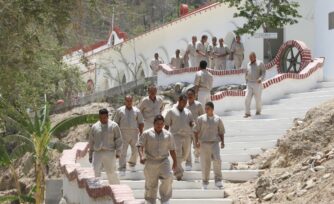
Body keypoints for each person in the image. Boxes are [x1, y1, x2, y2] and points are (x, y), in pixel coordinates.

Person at [137, 115, 177, 204]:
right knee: (151, 183)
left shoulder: (168, 134)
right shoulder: (146, 133)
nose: (159, 125)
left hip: (164, 161)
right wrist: (141, 156)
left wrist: (175, 162)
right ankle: (150, 201)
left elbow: (172, 149)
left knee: (168, 178)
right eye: (157, 123)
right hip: (150, 161)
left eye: (161, 124)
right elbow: (140, 145)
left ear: (163, 124)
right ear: (153, 123)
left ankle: (165, 199)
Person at [194, 102, 225, 190]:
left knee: (217, 160)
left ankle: (218, 180)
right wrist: (197, 142)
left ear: (212, 109)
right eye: (205, 108)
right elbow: (196, 131)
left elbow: (221, 131)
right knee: (205, 163)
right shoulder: (200, 119)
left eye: (208, 108)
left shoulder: (218, 119)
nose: (206, 110)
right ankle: (205, 181)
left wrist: (222, 142)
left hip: (215, 142)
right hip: (204, 143)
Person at [88, 108, 123, 184]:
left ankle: (116, 188)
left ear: (107, 116)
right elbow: (91, 141)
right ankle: (96, 188)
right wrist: (90, 155)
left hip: (109, 152)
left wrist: (118, 152)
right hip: (98, 153)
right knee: (95, 171)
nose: (102, 119)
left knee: (111, 172)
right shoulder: (94, 127)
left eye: (104, 117)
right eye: (101, 118)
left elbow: (118, 139)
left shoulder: (114, 126)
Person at [165, 94, 194, 180]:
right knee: (178, 153)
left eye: (185, 102)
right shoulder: (171, 111)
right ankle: (178, 172)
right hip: (175, 135)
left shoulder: (188, 112)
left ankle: (177, 165)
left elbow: (191, 121)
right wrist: (165, 136)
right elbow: (166, 125)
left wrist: (193, 124)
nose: (184, 104)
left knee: (185, 154)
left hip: (187, 135)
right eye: (183, 102)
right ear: (179, 101)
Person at [114, 95, 144, 176]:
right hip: (123, 133)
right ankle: (122, 167)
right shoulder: (120, 110)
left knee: (135, 150)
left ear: (132, 101)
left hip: (134, 133)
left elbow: (141, 122)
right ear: (125, 101)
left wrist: (141, 133)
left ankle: (132, 163)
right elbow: (115, 123)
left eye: (130, 101)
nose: (129, 102)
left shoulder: (137, 111)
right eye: (127, 101)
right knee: (123, 151)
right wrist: (116, 135)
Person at [185, 89, 204, 169]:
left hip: (196, 129)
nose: (190, 97)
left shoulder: (198, 105)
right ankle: (188, 163)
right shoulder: (184, 105)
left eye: (191, 95)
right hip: (186, 130)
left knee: (197, 145)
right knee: (187, 147)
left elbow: (203, 117)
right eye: (188, 95)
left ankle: (197, 156)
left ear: (194, 95)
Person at [244, 52, 266, 118]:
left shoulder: (260, 63)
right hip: (249, 83)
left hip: (257, 84)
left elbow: (263, 72)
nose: (250, 59)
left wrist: (260, 79)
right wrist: (246, 81)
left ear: (255, 57)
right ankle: (247, 113)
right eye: (249, 57)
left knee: (258, 99)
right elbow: (246, 73)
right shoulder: (248, 64)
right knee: (247, 98)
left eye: (251, 57)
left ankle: (258, 111)